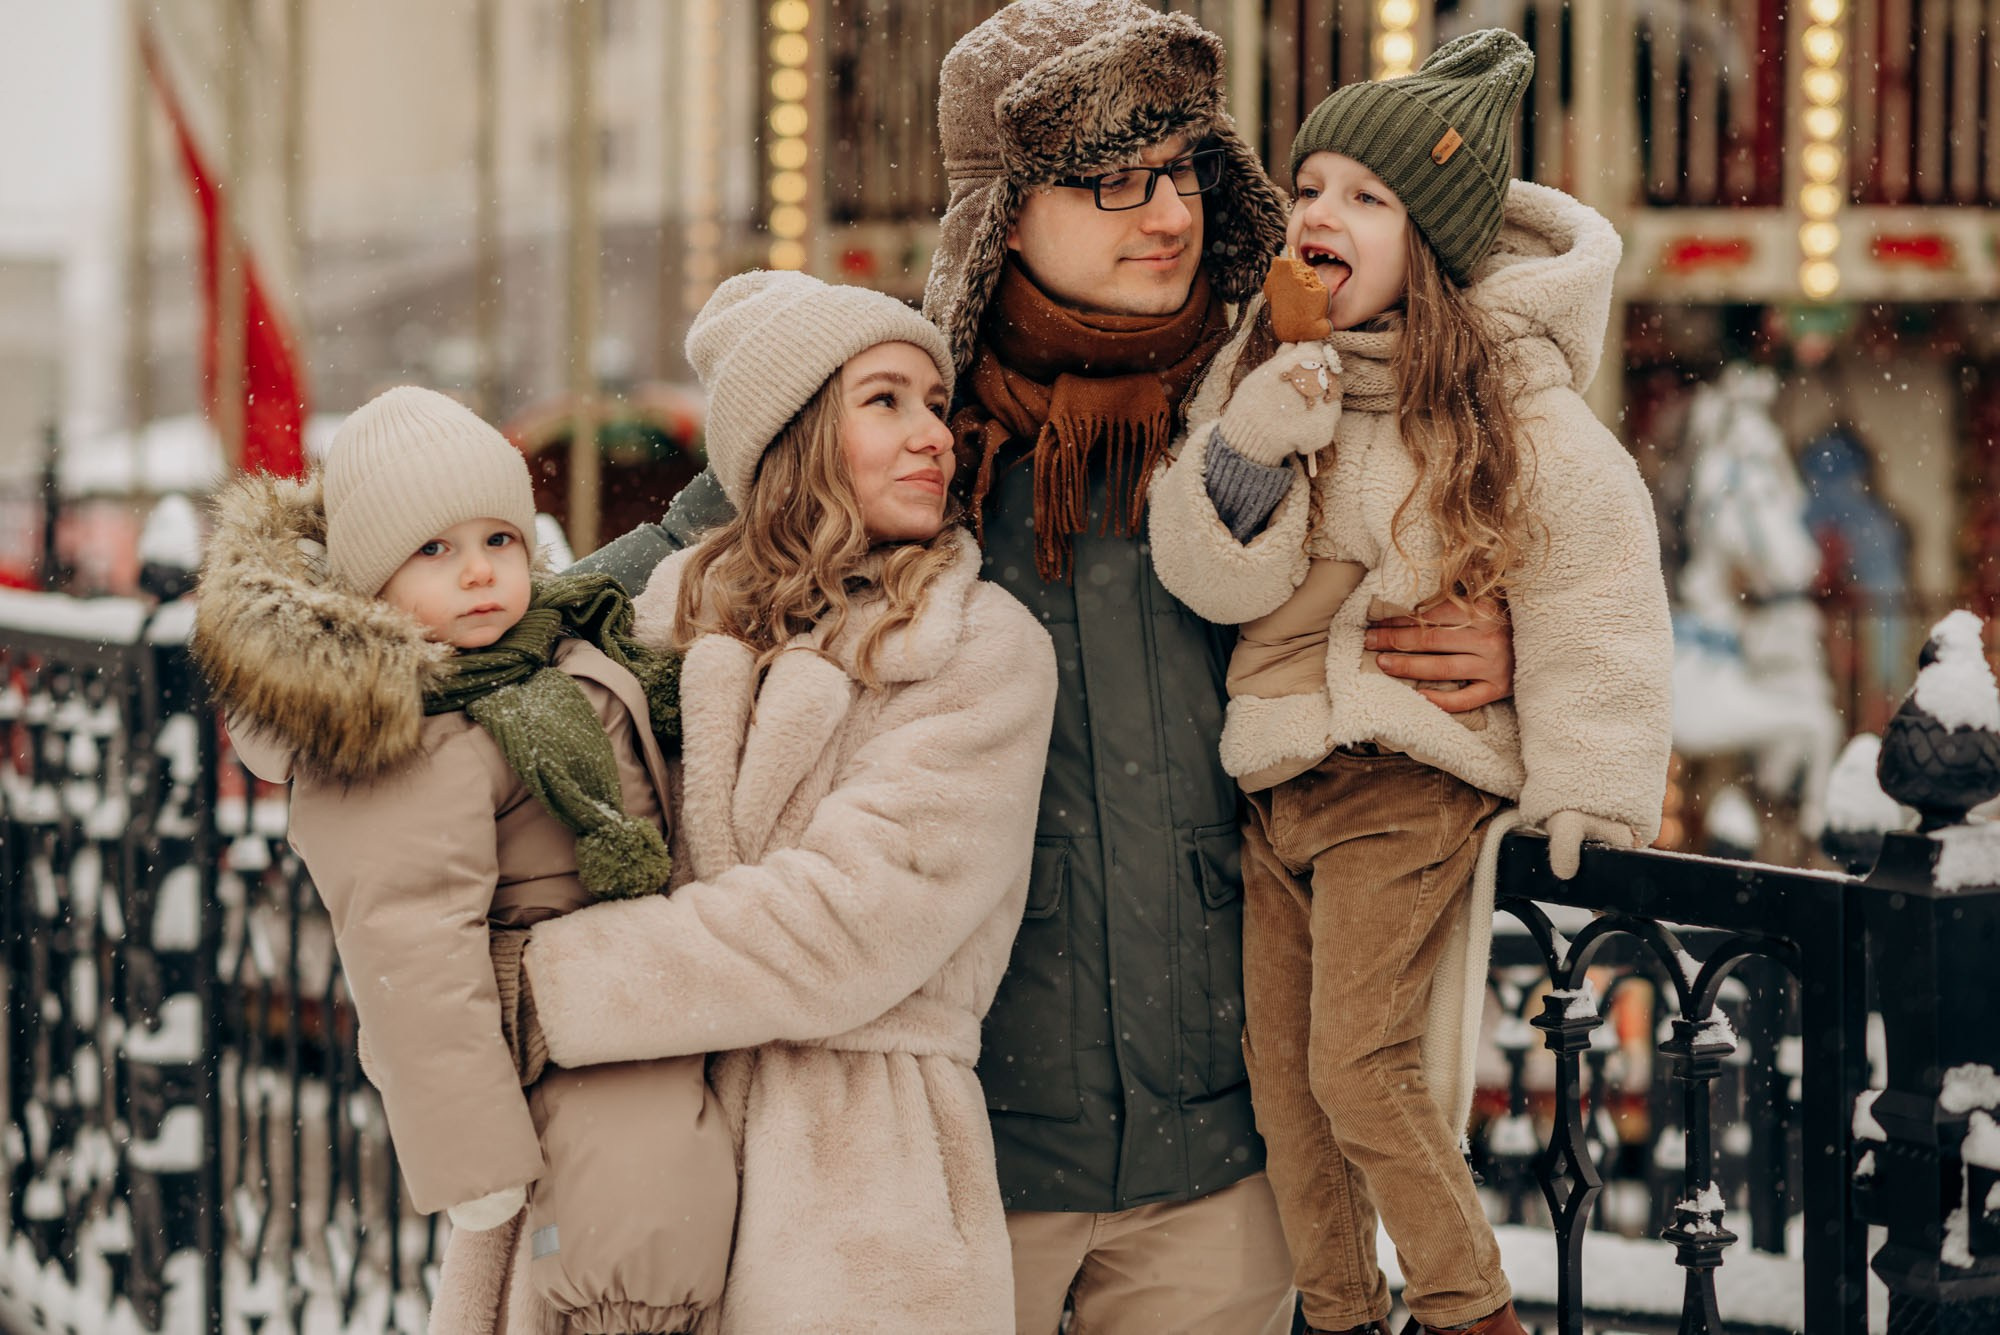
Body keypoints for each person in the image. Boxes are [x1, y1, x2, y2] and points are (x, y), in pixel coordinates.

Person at [575, 5, 1518, 1331]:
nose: (1169, 212)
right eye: (1110, 179)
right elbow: (646, 584)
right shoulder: (906, 427)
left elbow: (1484, 538)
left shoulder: (1292, 406)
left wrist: (1502, 643)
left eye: (1184, 168)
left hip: (1223, 1156)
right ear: (1007, 214)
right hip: (957, 1160)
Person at [1146, 32, 1673, 1335]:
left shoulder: (1517, 414)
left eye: (1366, 198)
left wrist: (1591, 783)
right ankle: (1337, 1310)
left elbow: (1594, 594)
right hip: (1275, 771)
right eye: (1312, 185)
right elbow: (1213, 578)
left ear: (1426, 246)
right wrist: (1258, 443)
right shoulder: (1262, 372)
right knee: (1283, 1082)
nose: (1322, 212)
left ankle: (1466, 1303)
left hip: (1405, 776)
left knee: (1359, 1064)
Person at [508, 271, 1059, 1333]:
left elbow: (848, 923)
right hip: (634, 1149)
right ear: (792, 440)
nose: (932, 435)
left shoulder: (979, 650)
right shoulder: (661, 624)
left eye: (934, 405)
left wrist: (547, 989)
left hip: (853, 1180)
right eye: (884, 400)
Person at [191, 386, 735, 1335]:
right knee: (637, 1247)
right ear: (370, 585)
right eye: (434, 551)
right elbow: (412, 961)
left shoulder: (546, 650)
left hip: (637, 1009)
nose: (478, 573)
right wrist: (474, 1163)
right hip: (566, 1038)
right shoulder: (413, 734)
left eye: (500, 541)